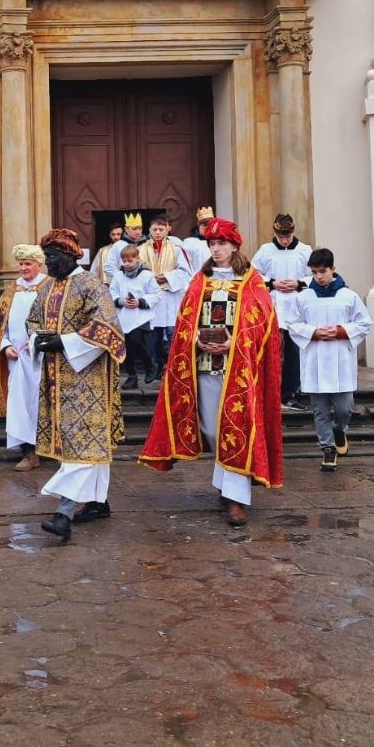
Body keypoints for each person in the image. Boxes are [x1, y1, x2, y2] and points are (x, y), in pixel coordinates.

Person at [139, 218, 283, 528]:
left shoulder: (251, 281)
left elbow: (264, 323)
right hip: (203, 366)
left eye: (221, 244)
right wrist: (196, 339)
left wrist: (234, 342)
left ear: (234, 246)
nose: (216, 249)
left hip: (238, 370)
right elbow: (185, 321)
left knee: (237, 427)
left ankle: (236, 499)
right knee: (212, 430)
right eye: (212, 244)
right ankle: (226, 480)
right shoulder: (198, 281)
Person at [27, 228, 126, 543]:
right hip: (56, 380)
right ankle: (97, 503)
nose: (47, 263)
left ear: (70, 255)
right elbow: (32, 320)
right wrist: (37, 339)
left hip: (89, 381)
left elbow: (108, 327)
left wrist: (65, 342)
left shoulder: (91, 285)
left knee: (84, 444)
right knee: (80, 445)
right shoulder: (46, 288)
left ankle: (63, 515)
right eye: (46, 257)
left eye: (52, 257)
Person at [289, 248, 372, 472]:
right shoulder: (304, 297)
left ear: (333, 269)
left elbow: (364, 323)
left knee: (345, 408)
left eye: (323, 271)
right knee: (320, 410)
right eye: (314, 272)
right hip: (315, 360)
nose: (318, 276)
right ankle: (327, 448)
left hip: (340, 361)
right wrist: (314, 333)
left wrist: (340, 330)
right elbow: (293, 324)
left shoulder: (349, 296)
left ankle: (339, 429)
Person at [0, 245, 49, 470]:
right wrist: (6, 346)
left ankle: (48, 448)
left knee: (41, 403)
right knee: (20, 405)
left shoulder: (50, 288)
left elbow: (55, 322)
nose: (23, 268)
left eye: (27, 264)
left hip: (42, 358)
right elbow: (0, 327)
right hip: (16, 359)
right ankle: (28, 453)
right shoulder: (12, 290)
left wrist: (38, 343)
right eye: (20, 264)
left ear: (38, 265)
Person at [251, 214, 313, 408]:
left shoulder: (304, 250)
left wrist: (299, 283)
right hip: (273, 305)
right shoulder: (265, 251)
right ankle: (268, 392)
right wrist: (272, 283)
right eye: (281, 236)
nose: (284, 240)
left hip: (296, 306)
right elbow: (252, 273)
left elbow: (314, 273)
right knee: (272, 350)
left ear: (293, 232)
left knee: (295, 351)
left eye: (287, 236)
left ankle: (291, 392)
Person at [137, 215, 193, 382]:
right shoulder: (141, 249)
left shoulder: (177, 248)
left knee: (171, 334)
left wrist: (167, 277)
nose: (158, 232)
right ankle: (154, 366)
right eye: (154, 229)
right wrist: (149, 279)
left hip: (171, 297)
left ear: (168, 228)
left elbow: (185, 271)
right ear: (149, 230)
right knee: (153, 336)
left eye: (161, 229)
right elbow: (136, 270)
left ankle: (171, 368)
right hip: (152, 297)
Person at [109, 243, 162, 392]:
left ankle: (150, 365)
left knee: (136, 342)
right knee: (127, 348)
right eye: (124, 261)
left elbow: (156, 294)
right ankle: (132, 377)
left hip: (140, 317)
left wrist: (140, 302)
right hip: (124, 316)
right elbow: (112, 292)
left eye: (130, 261)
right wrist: (120, 301)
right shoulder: (118, 276)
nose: (127, 264)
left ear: (137, 259)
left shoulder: (146, 275)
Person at [102, 212, 146, 284]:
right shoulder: (118, 245)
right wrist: (124, 279)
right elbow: (109, 267)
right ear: (126, 229)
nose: (138, 232)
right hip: (123, 284)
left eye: (140, 228)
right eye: (134, 229)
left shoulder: (146, 244)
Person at [182, 206, 214, 273]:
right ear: (199, 225)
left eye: (210, 225)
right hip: (196, 279)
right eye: (204, 225)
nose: (207, 227)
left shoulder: (219, 242)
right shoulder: (189, 243)